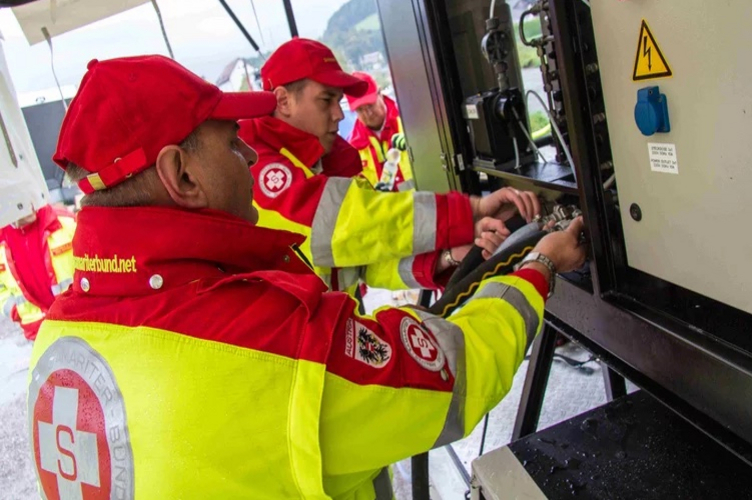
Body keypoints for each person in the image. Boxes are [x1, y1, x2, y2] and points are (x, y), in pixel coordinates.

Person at [29, 54, 586, 499]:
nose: (246, 151)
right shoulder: (266, 341)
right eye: (229, 140)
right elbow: (453, 371)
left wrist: (437, 262)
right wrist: (537, 266)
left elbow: (339, 262)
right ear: (181, 173)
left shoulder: (58, 347)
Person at [239, 38, 542, 295]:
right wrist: (471, 210)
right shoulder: (254, 165)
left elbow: (367, 259)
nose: (339, 115)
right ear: (283, 101)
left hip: (330, 334)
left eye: (339, 102)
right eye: (326, 100)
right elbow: (358, 222)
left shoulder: (324, 163)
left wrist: (447, 257)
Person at [0, 205, 75, 340]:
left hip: (79, 321)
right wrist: (14, 310)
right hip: (39, 332)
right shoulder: (2, 240)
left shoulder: (64, 221)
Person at [346, 71, 414, 192]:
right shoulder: (353, 148)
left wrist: (417, 141)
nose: (368, 113)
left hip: (423, 205)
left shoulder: (411, 121)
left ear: (380, 94)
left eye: (370, 105)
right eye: (360, 110)